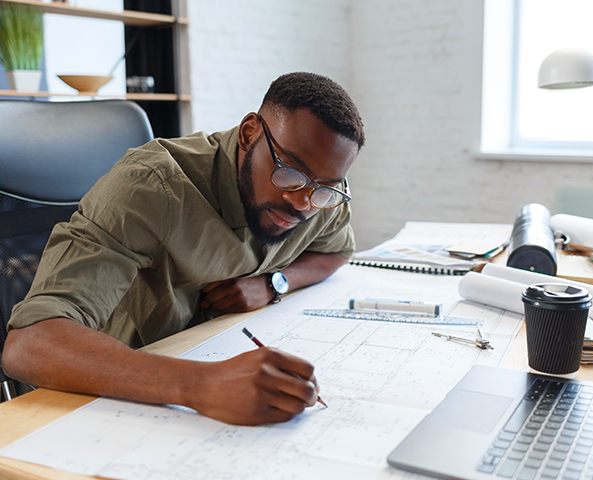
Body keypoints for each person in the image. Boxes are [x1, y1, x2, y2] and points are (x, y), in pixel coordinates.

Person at [2, 72, 365, 426]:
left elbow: (336, 252)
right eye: (289, 172)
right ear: (249, 133)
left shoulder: (322, 195)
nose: (301, 203)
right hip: (85, 402)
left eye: (323, 188)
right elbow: (29, 345)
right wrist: (201, 385)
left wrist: (274, 283)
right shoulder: (150, 187)